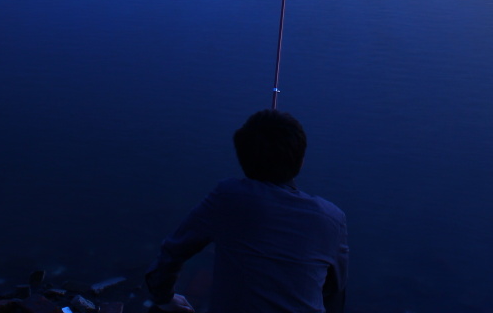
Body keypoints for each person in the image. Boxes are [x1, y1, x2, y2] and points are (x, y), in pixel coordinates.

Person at [145, 109, 348, 313]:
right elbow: (335, 293)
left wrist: (163, 297)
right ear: (301, 161)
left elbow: (173, 252)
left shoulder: (228, 197)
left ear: (242, 158)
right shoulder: (332, 218)